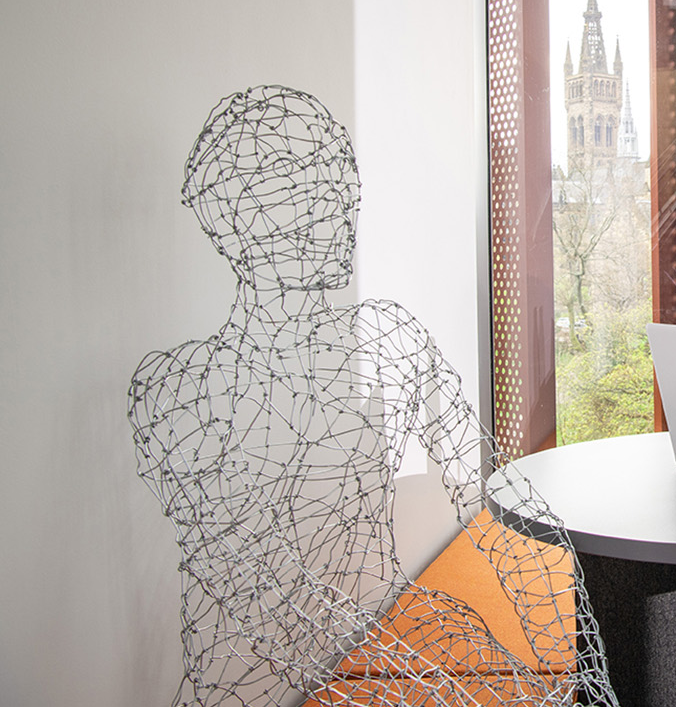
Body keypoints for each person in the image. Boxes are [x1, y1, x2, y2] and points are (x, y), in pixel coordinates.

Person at [129, 86, 616, 707]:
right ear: (227, 217)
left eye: (335, 173)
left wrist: (592, 669)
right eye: (290, 178)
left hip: (392, 643)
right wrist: (452, 676)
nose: (332, 201)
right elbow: (264, 598)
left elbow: (494, 497)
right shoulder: (180, 390)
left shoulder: (391, 340)